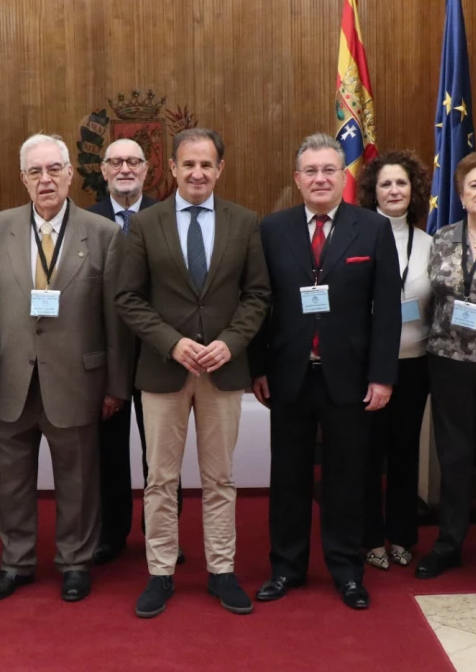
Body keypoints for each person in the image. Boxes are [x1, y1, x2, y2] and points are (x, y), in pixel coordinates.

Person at [116, 128, 270, 618]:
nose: (198, 173)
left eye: (207, 165)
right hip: (164, 370)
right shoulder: (147, 223)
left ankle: (221, 571)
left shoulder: (245, 223)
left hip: (223, 371)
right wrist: (172, 342)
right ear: (174, 169)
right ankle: (160, 573)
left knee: (220, 477)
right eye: (189, 165)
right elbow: (128, 298)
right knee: (161, 479)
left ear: (220, 169)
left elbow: (258, 295)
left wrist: (230, 343)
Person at [250, 133, 401, 611]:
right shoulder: (271, 230)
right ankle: (286, 568)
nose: (320, 178)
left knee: (346, 477)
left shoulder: (372, 229)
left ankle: (346, 570)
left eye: (329, 170)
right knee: (288, 477)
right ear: (297, 179)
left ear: (344, 176)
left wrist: (382, 375)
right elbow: (258, 302)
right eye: (310, 171)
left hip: (350, 379)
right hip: (289, 376)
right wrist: (258, 367)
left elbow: (387, 312)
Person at [0, 133, 131, 604]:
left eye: (53, 170)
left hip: (78, 380)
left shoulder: (103, 232)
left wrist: (116, 384)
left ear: (71, 174)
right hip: (10, 379)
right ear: (22, 178)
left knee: (78, 480)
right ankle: (16, 562)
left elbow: (116, 316)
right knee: (13, 481)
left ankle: (74, 561)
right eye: (34, 172)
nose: (45, 180)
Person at [415, 150, 476, 595]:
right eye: (475, 185)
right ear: (461, 193)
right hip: (448, 363)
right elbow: (431, 299)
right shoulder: (443, 238)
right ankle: (449, 543)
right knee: (452, 459)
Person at [88, 138, 184, 566]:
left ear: (149, 170)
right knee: (107, 450)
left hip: (157, 352)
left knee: (162, 452)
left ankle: (162, 534)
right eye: (116, 162)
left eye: (134, 162)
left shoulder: (169, 217)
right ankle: (111, 533)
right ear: (103, 171)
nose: (125, 168)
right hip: (103, 355)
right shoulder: (84, 221)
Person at [357, 151, 432, 571]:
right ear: (373, 191)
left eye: (401, 183)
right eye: (385, 184)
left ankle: (402, 534)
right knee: (368, 455)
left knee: (404, 454)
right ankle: (370, 537)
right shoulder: (359, 237)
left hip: (413, 363)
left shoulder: (429, 244)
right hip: (367, 366)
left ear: (413, 190)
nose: (393, 190)